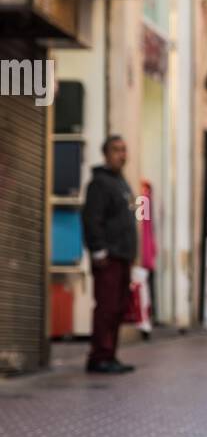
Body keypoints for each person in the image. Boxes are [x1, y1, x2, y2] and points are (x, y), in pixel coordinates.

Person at [82, 135, 138, 374]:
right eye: (116, 150)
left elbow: (132, 217)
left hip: (123, 255)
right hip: (109, 257)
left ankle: (110, 354)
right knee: (105, 307)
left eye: (124, 150)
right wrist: (98, 250)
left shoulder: (123, 184)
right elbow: (92, 219)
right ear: (105, 153)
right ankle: (99, 356)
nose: (121, 155)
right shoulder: (99, 183)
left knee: (117, 308)